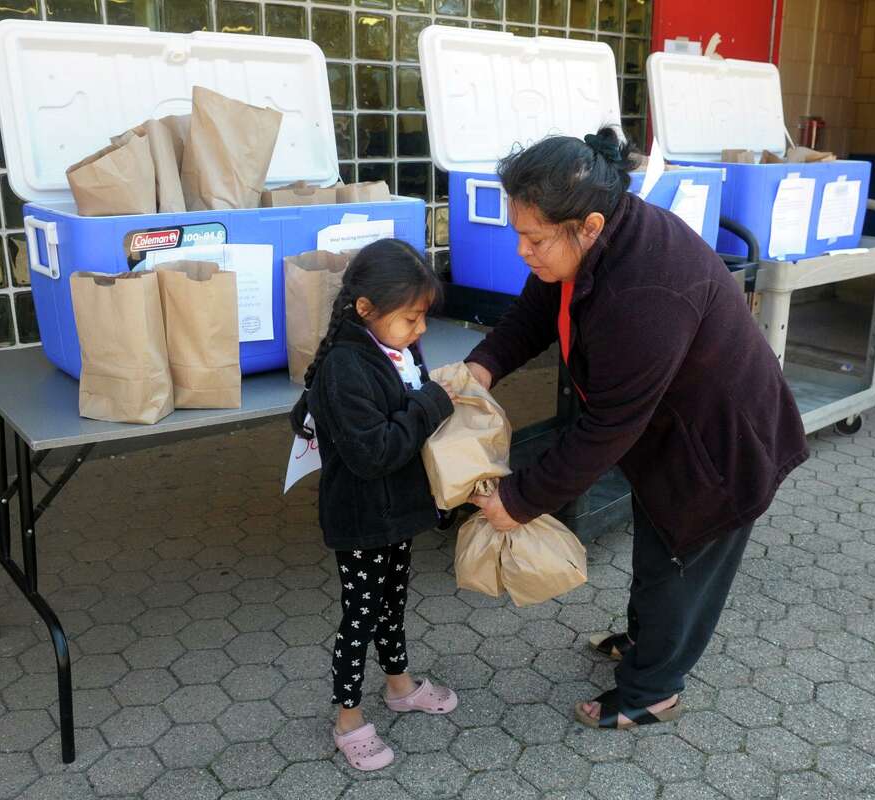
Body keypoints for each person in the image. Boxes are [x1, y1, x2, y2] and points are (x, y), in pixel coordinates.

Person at [463, 127, 809, 730]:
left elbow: (608, 426)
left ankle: (654, 687)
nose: (524, 249)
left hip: (720, 449)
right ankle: (649, 642)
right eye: (519, 232)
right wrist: (483, 367)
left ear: (589, 225)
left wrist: (517, 501)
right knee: (658, 547)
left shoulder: (646, 289)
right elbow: (540, 308)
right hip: (670, 431)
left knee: (682, 557)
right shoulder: (592, 240)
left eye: (534, 238)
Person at [290, 238, 460, 770]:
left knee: (392, 602)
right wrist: (433, 402)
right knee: (359, 616)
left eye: (423, 318)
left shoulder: (398, 347)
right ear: (366, 310)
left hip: (399, 510)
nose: (421, 330)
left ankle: (400, 684)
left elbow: (411, 405)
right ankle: (348, 719)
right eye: (411, 319)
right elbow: (375, 451)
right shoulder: (345, 367)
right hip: (363, 518)